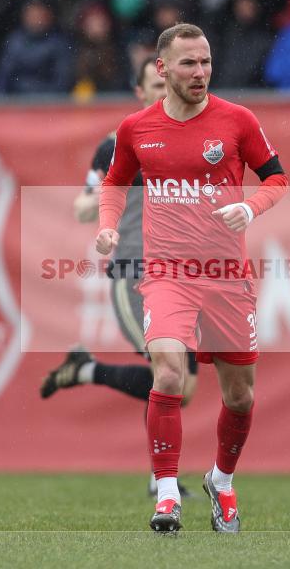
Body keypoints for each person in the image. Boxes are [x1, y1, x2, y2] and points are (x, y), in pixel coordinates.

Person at [96, 23, 289, 533]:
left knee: (240, 396)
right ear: (162, 69)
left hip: (227, 275)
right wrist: (108, 228)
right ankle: (165, 495)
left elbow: (276, 178)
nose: (200, 72)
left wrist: (252, 207)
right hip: (167, 271)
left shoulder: (238, 120)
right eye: (188, 63)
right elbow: (115, 182)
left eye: (205, 61)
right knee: (168, 375)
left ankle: (221, 481)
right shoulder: (136, 128)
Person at [40, 57, 197, 498]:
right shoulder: (116, 145)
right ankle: (161, 479)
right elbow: (84, 203)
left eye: (168, 82)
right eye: (154, 83)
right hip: (136, 267)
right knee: (167, 370)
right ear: (140, 92)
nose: (163, 89)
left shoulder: (192, 135)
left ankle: (85, 369)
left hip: (184, 269)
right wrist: (100, 200)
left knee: (183, 386)